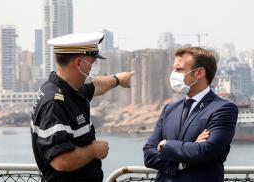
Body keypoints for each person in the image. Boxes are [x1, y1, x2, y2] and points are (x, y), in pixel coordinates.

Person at [31, 32, 133, 182]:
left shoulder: (70, 89)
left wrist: (118, 80)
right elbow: (61, 161)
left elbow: (96, 86)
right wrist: (94, 151)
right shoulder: (55, 103)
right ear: (79, 63)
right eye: (92, 63)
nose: (95, 67)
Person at [143, 47, 238, 182]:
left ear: (199, 72)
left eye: (180, 70)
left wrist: (165, 145)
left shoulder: (223, 109)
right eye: (174, 69)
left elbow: (205, 151)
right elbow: (148, 155)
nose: (174, 74)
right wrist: (180, 163)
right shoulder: (169, 109)